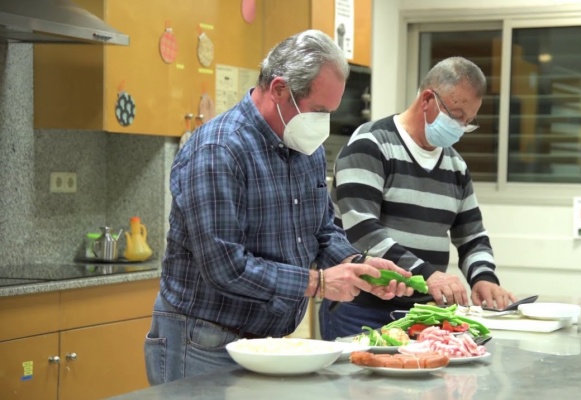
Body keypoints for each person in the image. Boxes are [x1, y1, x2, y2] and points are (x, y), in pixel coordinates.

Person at [144, 29, 413, 385]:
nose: (323, 124)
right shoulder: (218, 149)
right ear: (279, 90)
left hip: (265, 342)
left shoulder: (307, 148)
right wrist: (317, 283)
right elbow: (225, 266)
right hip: (202, 340)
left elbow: (321, 232)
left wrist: (355, 265)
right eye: (319, 110)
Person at [319, 57, 517, 341]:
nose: (460, 126)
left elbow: (472, 236)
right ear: (427, 99)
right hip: (360, 308)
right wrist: (427, 275)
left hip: (422, 312)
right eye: (456, 114)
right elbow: (363, 232)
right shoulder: (371, 145)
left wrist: (483, 277)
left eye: (468, 121)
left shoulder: (455, 165)